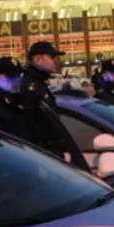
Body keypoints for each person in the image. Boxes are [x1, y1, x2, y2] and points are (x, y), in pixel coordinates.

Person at [20, 41, 88, 169]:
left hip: (49, 153)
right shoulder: (32, 87)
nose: (55, 62)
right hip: (44, 156)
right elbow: (31, 127)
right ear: (38, 59)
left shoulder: (39, 84)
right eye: (52, 57)